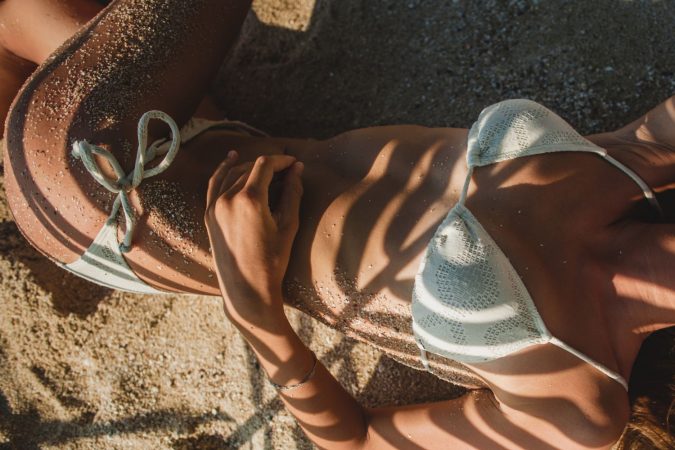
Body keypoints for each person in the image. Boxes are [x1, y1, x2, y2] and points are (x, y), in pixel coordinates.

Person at [2, 0, 674, 446]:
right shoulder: (637, 162)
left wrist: (254, 310)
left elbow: (353, 441)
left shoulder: (580, 400)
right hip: (210, 133)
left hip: (116, 195)